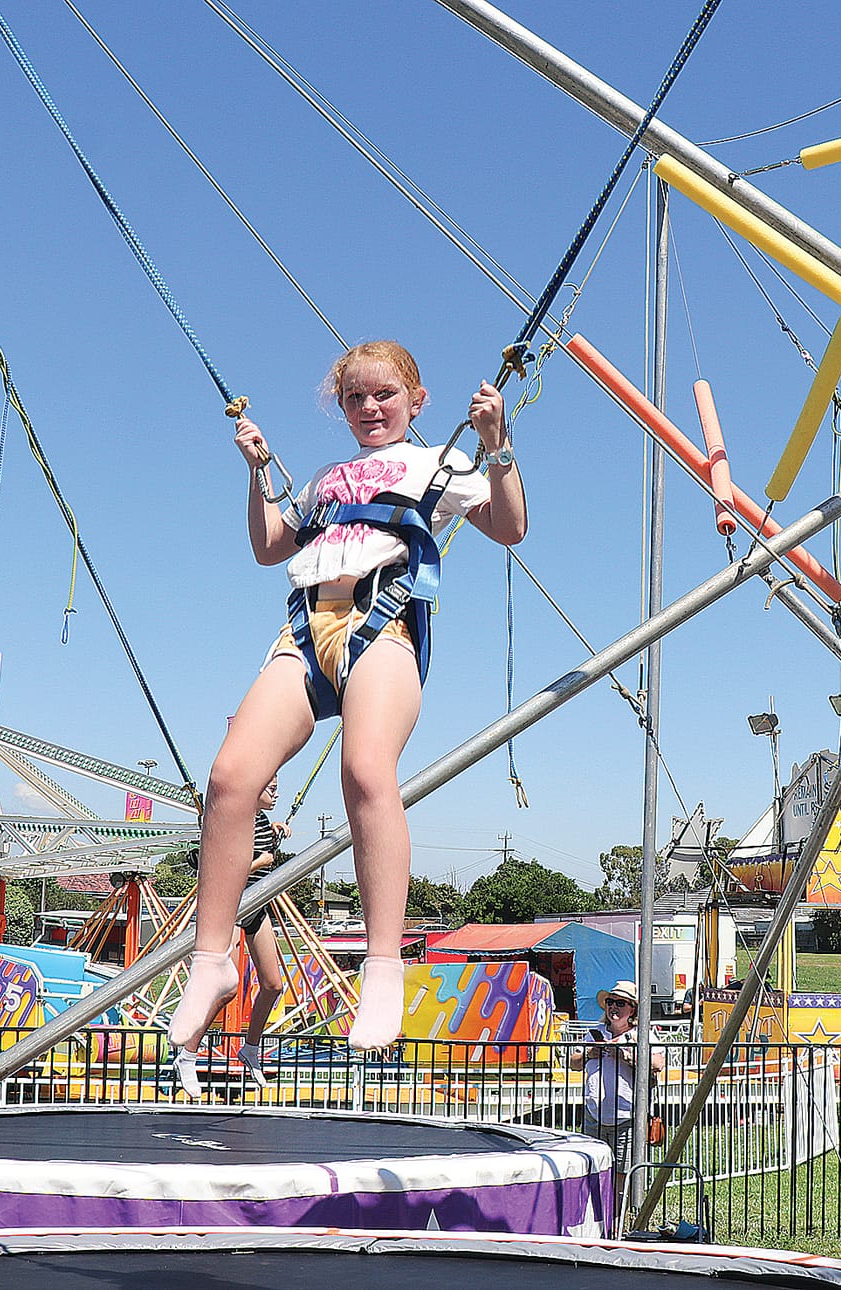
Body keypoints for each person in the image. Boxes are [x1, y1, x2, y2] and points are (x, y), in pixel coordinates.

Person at [168, 341, 528, 1057]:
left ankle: (385, 969)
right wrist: (257, 474)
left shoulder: (438, 463)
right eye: (355, 398)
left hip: (382, 621)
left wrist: (498, 446)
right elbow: (272, 547)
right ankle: (211, 964)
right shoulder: (328, 479)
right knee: (230, 779)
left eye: (384, 395)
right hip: (305, 629)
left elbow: (510, 527)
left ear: (415, 401)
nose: (369, 408)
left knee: (365, 771)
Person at [171, 780, 293, 1097]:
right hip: (230, 907)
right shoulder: (237, 820)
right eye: (271, 788)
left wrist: (274, 828)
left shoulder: (262, 820)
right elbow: (218, 868)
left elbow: (262, 831)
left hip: (257, 906)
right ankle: (187, 1055)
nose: (277, 794)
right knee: (225, 989)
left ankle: (250, 1049)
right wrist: (258, 863)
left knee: (273, 985)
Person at [570, 980, 665, 1216]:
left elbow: (658, 1063)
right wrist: (593, 1052)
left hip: (627, 1115)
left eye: (620, 1003)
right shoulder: (594, 1034)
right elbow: (573, 1062)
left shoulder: (642, 1035)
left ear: (632, 1009)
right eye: (610, 1002)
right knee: (592, 1166)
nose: (613, 1007)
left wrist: (624, 1055)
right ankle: (595, 1214)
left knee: (622, 1170)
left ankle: (619, 1216)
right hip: (594, 1114)